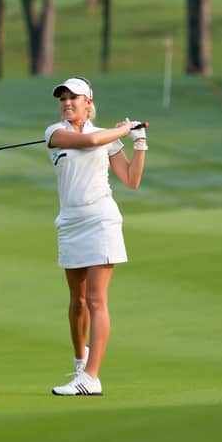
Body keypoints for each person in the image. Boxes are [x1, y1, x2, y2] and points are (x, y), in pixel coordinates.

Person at [43, 76, 147, 396]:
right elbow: (89, 143)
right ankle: (80, 363)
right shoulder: (53, 134)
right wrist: (124, 130)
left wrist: (138, 142)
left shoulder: (106, 137)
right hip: (70, 222)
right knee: (77, 303)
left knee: (95, 299)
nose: (67, 103)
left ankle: (91, 377)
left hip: (101, 219)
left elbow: (130, 179)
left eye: (74, 98)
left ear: (88, 103)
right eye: (62, 99)